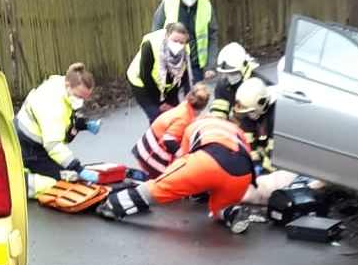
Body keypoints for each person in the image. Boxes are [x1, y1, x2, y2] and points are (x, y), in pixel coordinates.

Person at [98, 95, 266, 233]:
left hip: (208, 161)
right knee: (219, 208)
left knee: (159, 187)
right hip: (242, 173)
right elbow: (247, 152)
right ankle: (231, 212)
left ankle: (112, 204)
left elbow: (184, 160)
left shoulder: (194, 126)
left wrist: (194, 186)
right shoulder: (235, 130)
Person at [14, 62, 102, 197]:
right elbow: (53, 144)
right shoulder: (52, 106)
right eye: (79, 97)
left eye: (85, 98)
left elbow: (64, 120)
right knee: (60, 181)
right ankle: (22, 183)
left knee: (67, 173)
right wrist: (78, 168)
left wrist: (82, 125)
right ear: (68, 85)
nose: (81, 102)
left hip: (31, 138)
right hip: (29, 147)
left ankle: (28, 169)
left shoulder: (62, 84)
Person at [131, 82, 211, 179]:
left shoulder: (184, 106)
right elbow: (169, 140)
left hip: (145, 148)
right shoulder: (184, 118)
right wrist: (185, 158)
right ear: (203, 106)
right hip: (152, 156)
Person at [151, 0, 218, 83]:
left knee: (195, 98)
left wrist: (210, 66)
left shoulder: (206, 4)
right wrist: (159, 62)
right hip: (171, 63)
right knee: (172, 98)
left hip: (196, 66)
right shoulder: (168, 2)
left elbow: (213, 37)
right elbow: (156, 32)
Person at [127, 22, 191, 123]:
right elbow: (145, 76)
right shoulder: (150, 46)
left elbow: (182, 75)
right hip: (141, 83)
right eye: (174, 41)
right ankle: (154, 137)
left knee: (176, 117)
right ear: (167, 36)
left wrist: (176, 98)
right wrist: (160, 103)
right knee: (157, 117)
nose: (178, 45)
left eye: (181, 42)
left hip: (166, 86)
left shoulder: (185, 50)